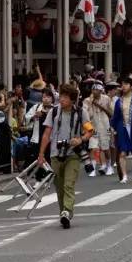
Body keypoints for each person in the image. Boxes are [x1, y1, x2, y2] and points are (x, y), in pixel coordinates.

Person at [37, 83, 92, 229]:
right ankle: (63, 212)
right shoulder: (54, 112)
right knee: (59, 186)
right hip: (56, 154)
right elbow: (47, 134)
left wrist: (80, 139)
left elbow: (89, 131)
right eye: (61, 96)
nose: (62, 99)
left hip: (73, 154)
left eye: (65, 97)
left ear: (73, 99)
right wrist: (41, 154)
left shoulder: (81, 112)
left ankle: (67, 212)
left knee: (69, 184)